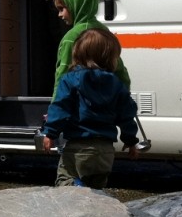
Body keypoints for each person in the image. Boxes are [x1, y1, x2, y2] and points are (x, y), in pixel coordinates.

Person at [41, 27, 139, 188]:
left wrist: (50, 132)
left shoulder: (70, 80)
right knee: (96, 190)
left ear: (78, 54)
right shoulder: (117, 84)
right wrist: (131, 141)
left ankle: (76, 188)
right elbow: (126, 115)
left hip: (79, 148)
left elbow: (60, 107)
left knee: (65, 183)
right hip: (105, 152)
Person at [51, 0, 130, 96]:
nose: (59, 15)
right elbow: (120, 70)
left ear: (76, 5)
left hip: (82, 106)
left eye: (62, 9)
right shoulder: (104, 31)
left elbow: (62, 75)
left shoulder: (71, 37)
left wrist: (55, 108)